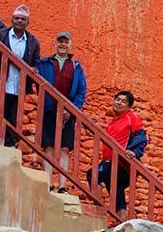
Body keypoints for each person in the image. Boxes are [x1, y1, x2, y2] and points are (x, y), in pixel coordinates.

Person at [37, 32, 87, 193]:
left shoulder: (76, 67)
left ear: (70, 45)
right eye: (60, 42)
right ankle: (48, 183)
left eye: (66, 42)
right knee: (48, 147)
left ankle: (63, 185)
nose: (63, 45)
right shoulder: (45, 63)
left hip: (68, 112)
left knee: (65, 148)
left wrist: (72, 110)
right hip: (49, 109)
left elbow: (81, 90)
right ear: (56, 44)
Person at [0, 4, 40, 147]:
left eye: (23, 19)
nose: (19, 21)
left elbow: (36, 60)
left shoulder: (33, 42)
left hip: (18, 85)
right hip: (0, 81)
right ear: (12, 20)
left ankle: (10, 143)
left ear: (28, 22)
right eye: (17, 18)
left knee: (13, 115)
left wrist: (34, 68)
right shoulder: (0, 35)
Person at [89, 90, 144, 220]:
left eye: (123, 101)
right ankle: (122, 224)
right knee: (117, 193)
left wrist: (134, 152)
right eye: (117, 100)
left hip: (122, 164)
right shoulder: (112, 123)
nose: (119, 103)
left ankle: (98, 212)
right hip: (111, 164)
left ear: (129, 107)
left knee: (92, 174)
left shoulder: (131, 118)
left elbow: (141, 136)